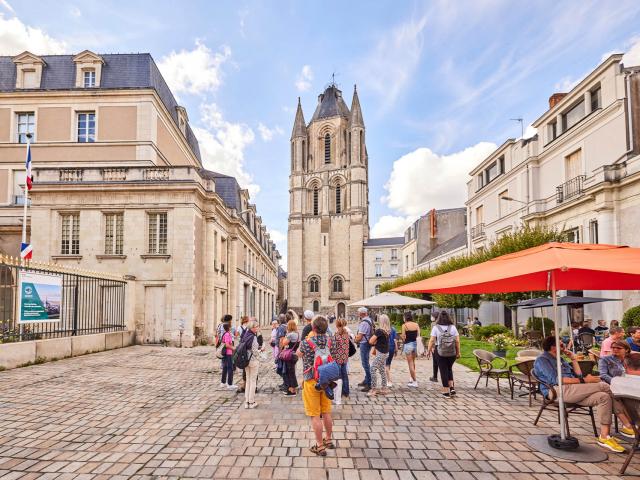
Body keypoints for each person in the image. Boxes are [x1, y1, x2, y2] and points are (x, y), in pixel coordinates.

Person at [533, 336, 634, 452]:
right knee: (603, 386)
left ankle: (604, 436)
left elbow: (579, 375)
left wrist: (574, 359)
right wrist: (585, 381)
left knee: (604, 397)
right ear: (553, 347)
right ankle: (628, 424)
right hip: (556, 391)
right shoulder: (542, 360)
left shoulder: (560, 359)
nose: (565, 347)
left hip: (573, 390)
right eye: (562, 345)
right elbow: (556, 380)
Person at [300, 316, 337, 457]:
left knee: (315, 415)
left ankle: (320, 446)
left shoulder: (306, 342)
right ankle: (328, 440)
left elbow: (298, 355)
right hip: (327, 381)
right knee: (326, 412)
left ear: (313, 328)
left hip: (311, 380)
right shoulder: (330, 341)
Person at [427, 311, 460, 398]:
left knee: (443, 371)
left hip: (440, 352)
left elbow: (431, 341)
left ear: (439, 318)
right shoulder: (453, 327)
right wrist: (458, 352)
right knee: (449, 369)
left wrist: (428, 350)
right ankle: (452, 388)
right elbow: (457, 341)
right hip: (452, 352)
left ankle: (446, 391)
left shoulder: (436, 327)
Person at [368, 314, 391, 397]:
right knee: (381, 370)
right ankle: (384, 388)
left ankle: (374, 389)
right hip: (385, 352)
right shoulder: (388, 331)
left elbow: (371, 341)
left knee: (372, 369)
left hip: (381, 353)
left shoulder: (379, 331)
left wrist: (374, 340)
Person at [242, 320, 262, 409]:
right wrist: (261, 350)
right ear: (253, 328)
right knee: (253, 381)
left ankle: (246, 402)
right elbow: (254, 351)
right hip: (253, 361)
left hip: (246, 360)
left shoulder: (245, 335)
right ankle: (252, 401)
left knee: (248, 380)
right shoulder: (253, 337)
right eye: (256, 326)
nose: (258, 328)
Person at [354, 307, 374, 392]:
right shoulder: (370, 320)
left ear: (362, 313)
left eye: (358, 312)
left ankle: (369, 383)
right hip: (368, 343)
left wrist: (354, 339)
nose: (358, 314)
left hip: (364, 344)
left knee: (365, 363)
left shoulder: (364, 323)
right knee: (366, 362)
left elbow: (360, 337)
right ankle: (366, 380)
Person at [332, 318, 350, 404]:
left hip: (338, 358)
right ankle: (346, 391)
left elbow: (333, 346)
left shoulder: (336, 334)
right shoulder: (347, 333)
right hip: (345, 357)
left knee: (338, 376)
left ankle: (338, 392)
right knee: (345, 375)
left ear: (336, 325)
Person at [281, 319, 300, 396]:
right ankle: (293, 388)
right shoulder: (297, 334)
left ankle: (291, 390)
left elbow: (284, 343)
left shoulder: (290, 335)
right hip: (294, 354)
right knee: (292, 372)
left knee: (288, 372)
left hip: (289, 355)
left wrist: (286, 335)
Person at [401, 311, 420, 388]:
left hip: (408, 344)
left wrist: (403, 338)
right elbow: (418, 335)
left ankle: (415, 381)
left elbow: (403, 336)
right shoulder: (416, 324)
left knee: (410, 364)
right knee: (413, 362)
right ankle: (411, 377)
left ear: (405, 317)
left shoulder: (404, 325)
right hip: (415, 344)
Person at [219, 323, 236, 390]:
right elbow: (227, 345)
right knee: (230, 368)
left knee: (225, 367)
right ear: (229, 327)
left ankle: (223, 382)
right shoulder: (227, 334)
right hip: (228, 353)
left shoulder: (225, 334)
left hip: (225, 353)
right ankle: (230, 384)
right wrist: (233, 348)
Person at [386, 320, 398, 387]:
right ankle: (388, 377)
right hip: (392, 347)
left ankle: (389, 380)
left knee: (386, 364)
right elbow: (395, 340)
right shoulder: (393, 329)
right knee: (388, 363)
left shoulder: (383, 329)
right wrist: (396, 349)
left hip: (386, 348)